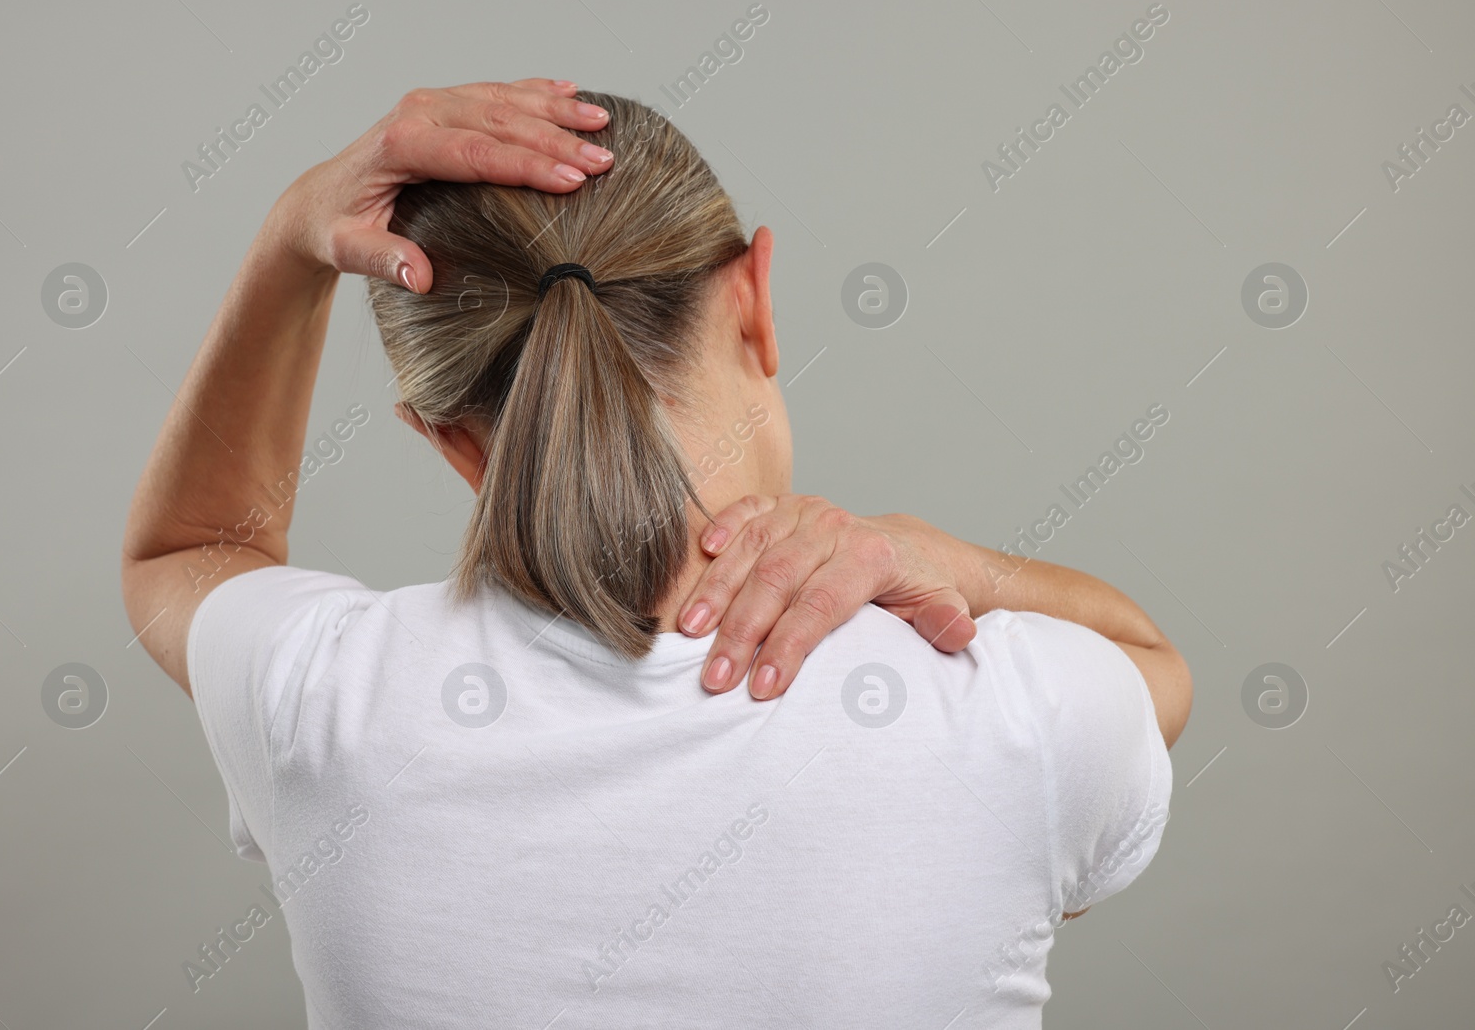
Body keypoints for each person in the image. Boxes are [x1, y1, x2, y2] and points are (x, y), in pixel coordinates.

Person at [122, 80, 1191, 1028]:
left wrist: (289, 237)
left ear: (448, 438)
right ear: (754, 300)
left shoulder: (321, 701)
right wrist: (931, 552)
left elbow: (185, 551)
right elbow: (1155, 666)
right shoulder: (1007, 712)